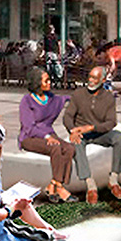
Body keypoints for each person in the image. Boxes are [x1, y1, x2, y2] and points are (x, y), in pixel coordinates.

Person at [65, 62, 121, 202]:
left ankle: (113, 180)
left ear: (103, 81)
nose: (91, 81)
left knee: (120, 138)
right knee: (75, 143)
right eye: (90, 77)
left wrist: (93, 127)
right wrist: (72, 130)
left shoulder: (108, 97)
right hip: (81, 134)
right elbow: (68, 116)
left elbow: (111, 122)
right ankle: (90, 185)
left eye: (95, 78)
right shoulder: (78, 94)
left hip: (100, 133)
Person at [19, 68, 77, 203]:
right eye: (46, 80)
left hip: (49, 134)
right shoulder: (27, 101)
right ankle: (60, 188)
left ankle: (54, 185)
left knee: (69, 148)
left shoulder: (52, 98)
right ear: (37, 83)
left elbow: (66, 98)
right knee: (55, 148)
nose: (49, 83)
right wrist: (46, 137)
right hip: (30, 137)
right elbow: (28, 126)